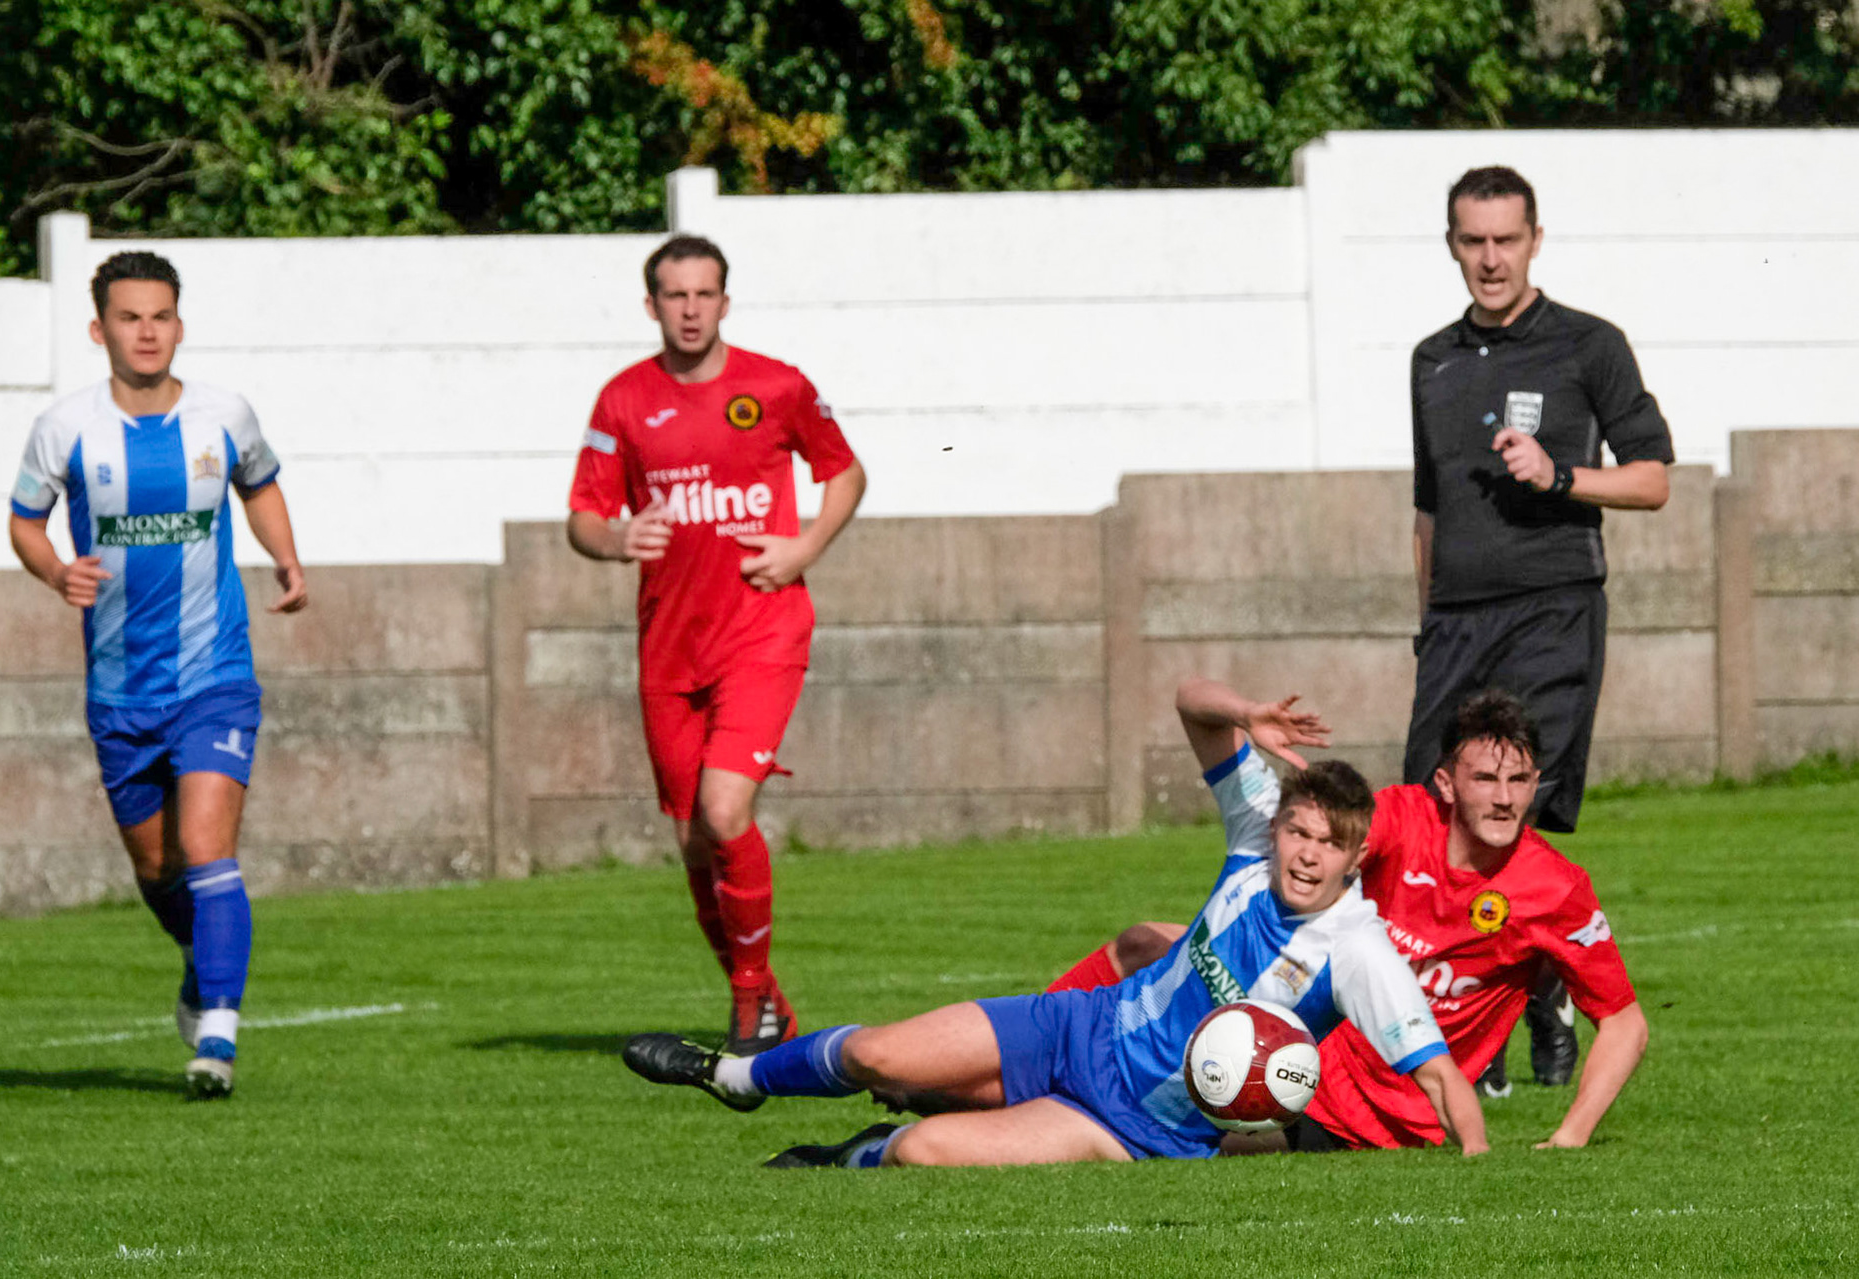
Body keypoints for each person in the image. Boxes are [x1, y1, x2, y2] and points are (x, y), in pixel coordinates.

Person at [620, 682, 1487, 1168]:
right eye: (1297, 832)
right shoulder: (1256, 832)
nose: (1303, 854)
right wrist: (1244, 715)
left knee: (921, 1151)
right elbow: (1187, 700)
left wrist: (1482, 1171)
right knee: (875, 1053)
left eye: (1327, 844)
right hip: (1079, 1022)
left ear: (1355, 853)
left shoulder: (1359, 951)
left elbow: (1443, 1077)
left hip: (1130, 1127)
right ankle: (737, 1074)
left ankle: (847, 1154)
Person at [1052, 684, 1649, 1154]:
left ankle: (1040, 1101)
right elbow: (1327, 837)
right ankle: (1048, 1033)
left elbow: (1624, 1022)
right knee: (1144, 942)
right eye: (1486, 778)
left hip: (1363, 1109)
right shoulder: (1403, 818)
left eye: (1519, 780)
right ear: (1445, 783)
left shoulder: (1555, 888)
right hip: (1297, 1017)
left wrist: (1570, 1136)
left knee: (1129, 1125)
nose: (1503, 798)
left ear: (1535, 784)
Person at [8, 251, 308, 1098]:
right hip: (117, 690)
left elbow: (262, 483)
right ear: (100, 329)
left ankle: (218, 1032)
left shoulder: (224, 417)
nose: (148, 331)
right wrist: (53, 569)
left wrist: (286, 559)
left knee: (209, 849)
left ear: (180, 324)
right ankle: (198, 961)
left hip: (214, 674)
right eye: (131, 317)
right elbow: (24, 521)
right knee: (157, 869)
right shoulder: (65, 428)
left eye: (162, 316)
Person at [1407, 165, 1673, 1088]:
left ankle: (1531, 1003)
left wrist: (1561, 475)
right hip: (1453, 625)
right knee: (1430, 813)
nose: (1490, 258)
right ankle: (1473, 1028)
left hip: (1556, 608)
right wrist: (1425, 620)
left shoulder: (1588, 346)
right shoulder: (1431, 360)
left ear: (1534, 240)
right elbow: (1429, 514)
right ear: (1453, 244)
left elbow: (1652, 478)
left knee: (1512, 807)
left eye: (1505, 239)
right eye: (1473, 241)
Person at [567, 236, 866, 1054]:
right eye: (675, 295)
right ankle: (766, 999)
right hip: (669, 648)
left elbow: (845, 471)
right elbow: (583, 520)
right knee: (694, 843)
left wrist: (803, 549)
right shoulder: (624, 401)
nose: (690, 309)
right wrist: (617, 537)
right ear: (652, 305)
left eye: (704, 294)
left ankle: (744, 1006)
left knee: (724, 809)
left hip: (762, 631)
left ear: (725, 302)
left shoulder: (775, 386)